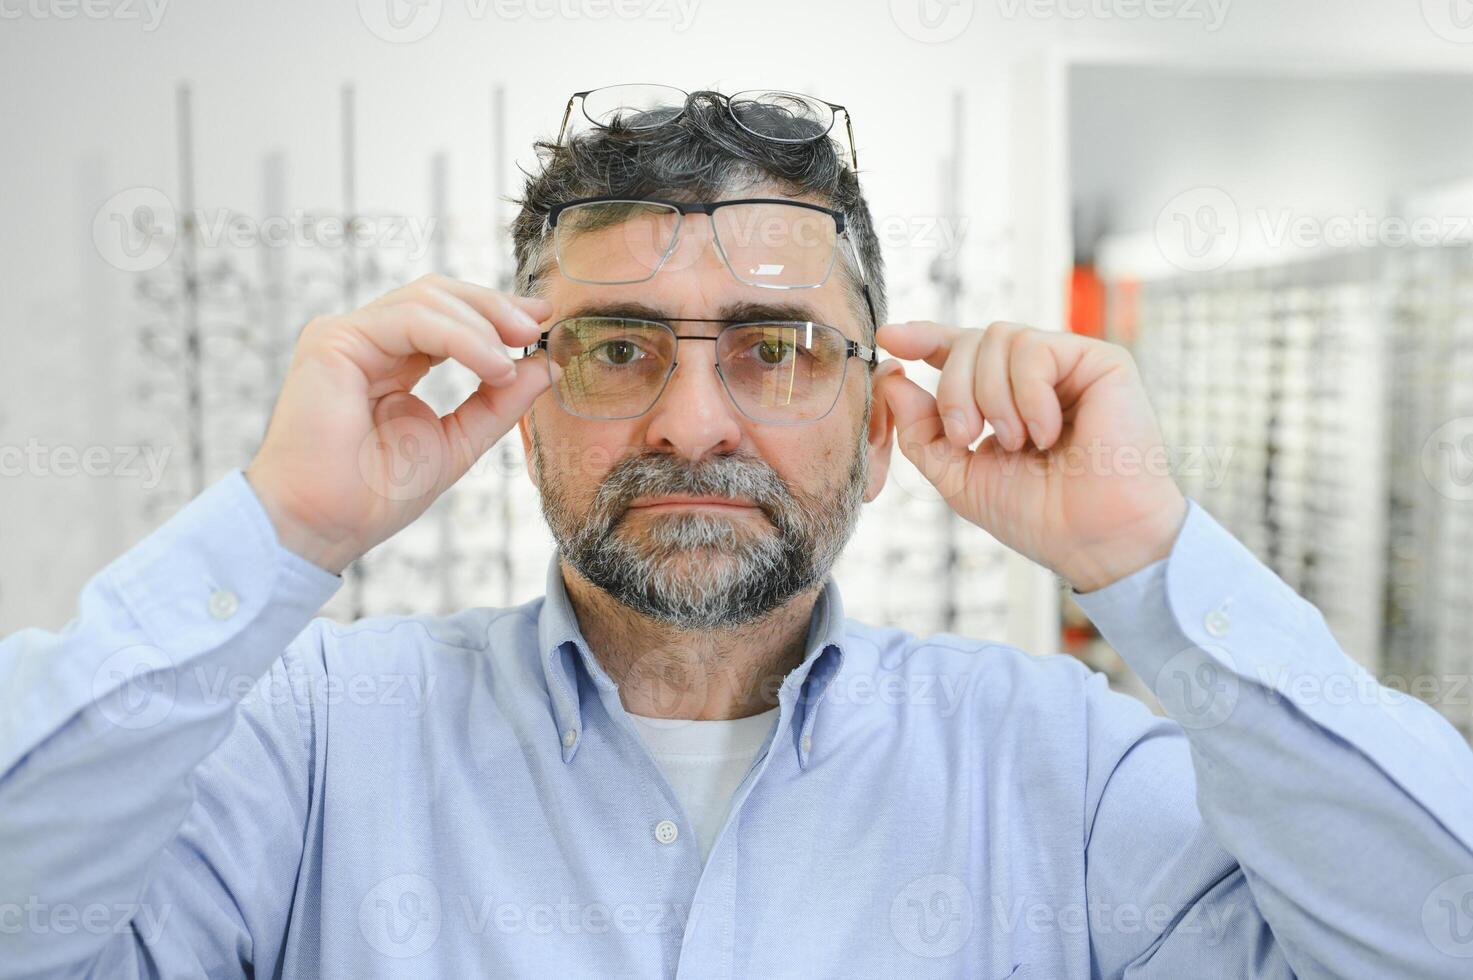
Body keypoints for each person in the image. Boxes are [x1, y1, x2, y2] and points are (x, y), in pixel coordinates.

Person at [3, 86, 1471, 979]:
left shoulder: (1060, 765)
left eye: (772, 348)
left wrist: (1155, 566)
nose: (693, 425)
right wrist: (276, 533)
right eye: (616, 349)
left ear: (881, 424)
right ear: (521, 406)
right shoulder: (310, 742)